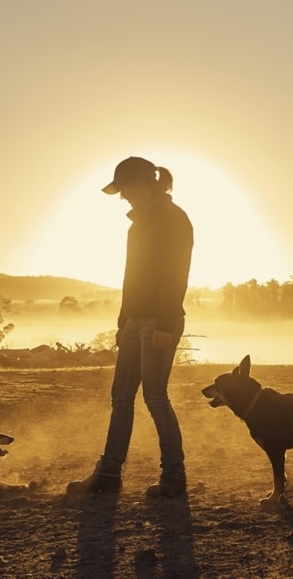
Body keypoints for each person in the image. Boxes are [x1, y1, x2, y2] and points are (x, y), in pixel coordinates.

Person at [67, 156, 194, 499]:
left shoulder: (174, 219)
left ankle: (174, 476)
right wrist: (123, 322)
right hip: (135, 320)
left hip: (159, 321)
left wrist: (166, 322)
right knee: (121, 397)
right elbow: (130, 276)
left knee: (154, 396)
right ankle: (109, 474)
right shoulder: (136, 224)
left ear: (143, 184)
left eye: (124, 189)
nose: (123, 197)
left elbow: (176, 274)